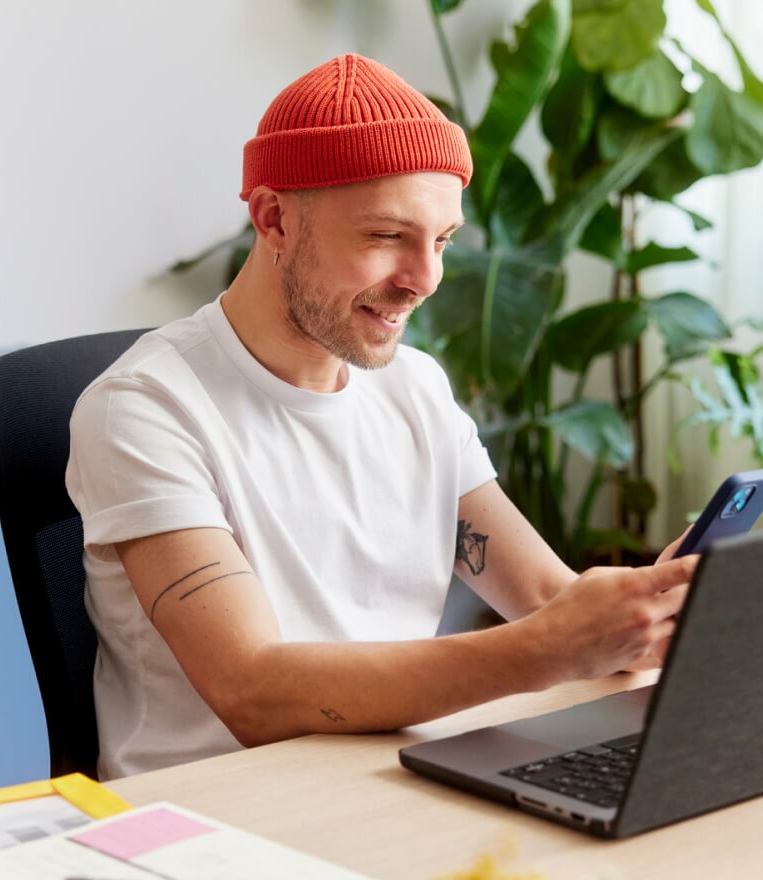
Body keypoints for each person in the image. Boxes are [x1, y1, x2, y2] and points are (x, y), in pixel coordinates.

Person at [66, 53, 696, 779]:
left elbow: (546, 600)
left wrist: (640, 617)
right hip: (213, 816)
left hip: (393, 776)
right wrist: (552, 648)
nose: (424, 280)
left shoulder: (414, 388)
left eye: (442, 241)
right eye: (387, 236)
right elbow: (251, 690)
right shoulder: (145, 409)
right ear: (273, 218)